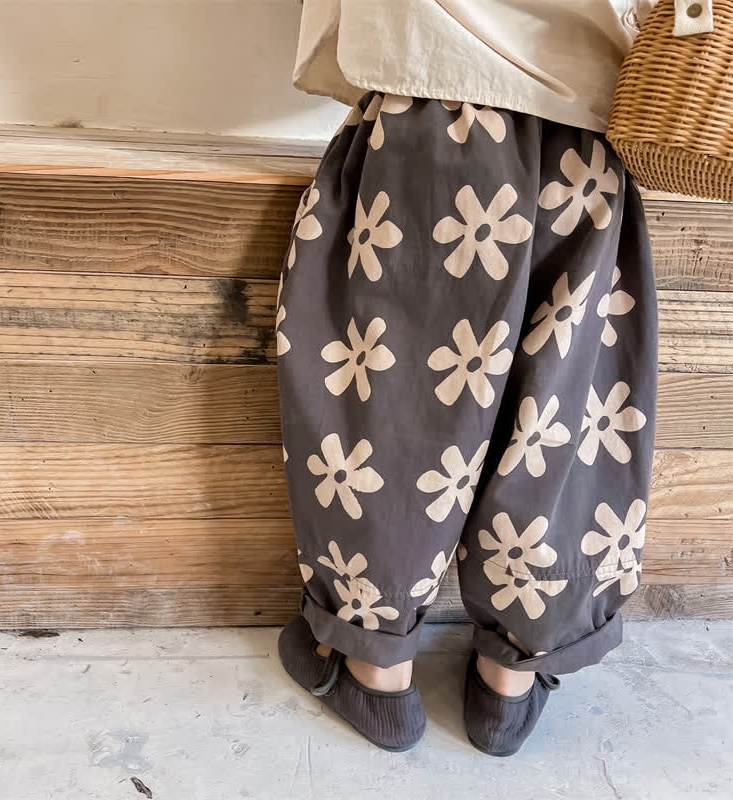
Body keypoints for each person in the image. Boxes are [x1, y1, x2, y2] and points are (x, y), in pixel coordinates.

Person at [275, 0, 661, 756]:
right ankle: (509, 680)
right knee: (560, 418)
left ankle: (373, 667)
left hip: (431, 108)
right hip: (584, 135)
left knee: (389, 408)